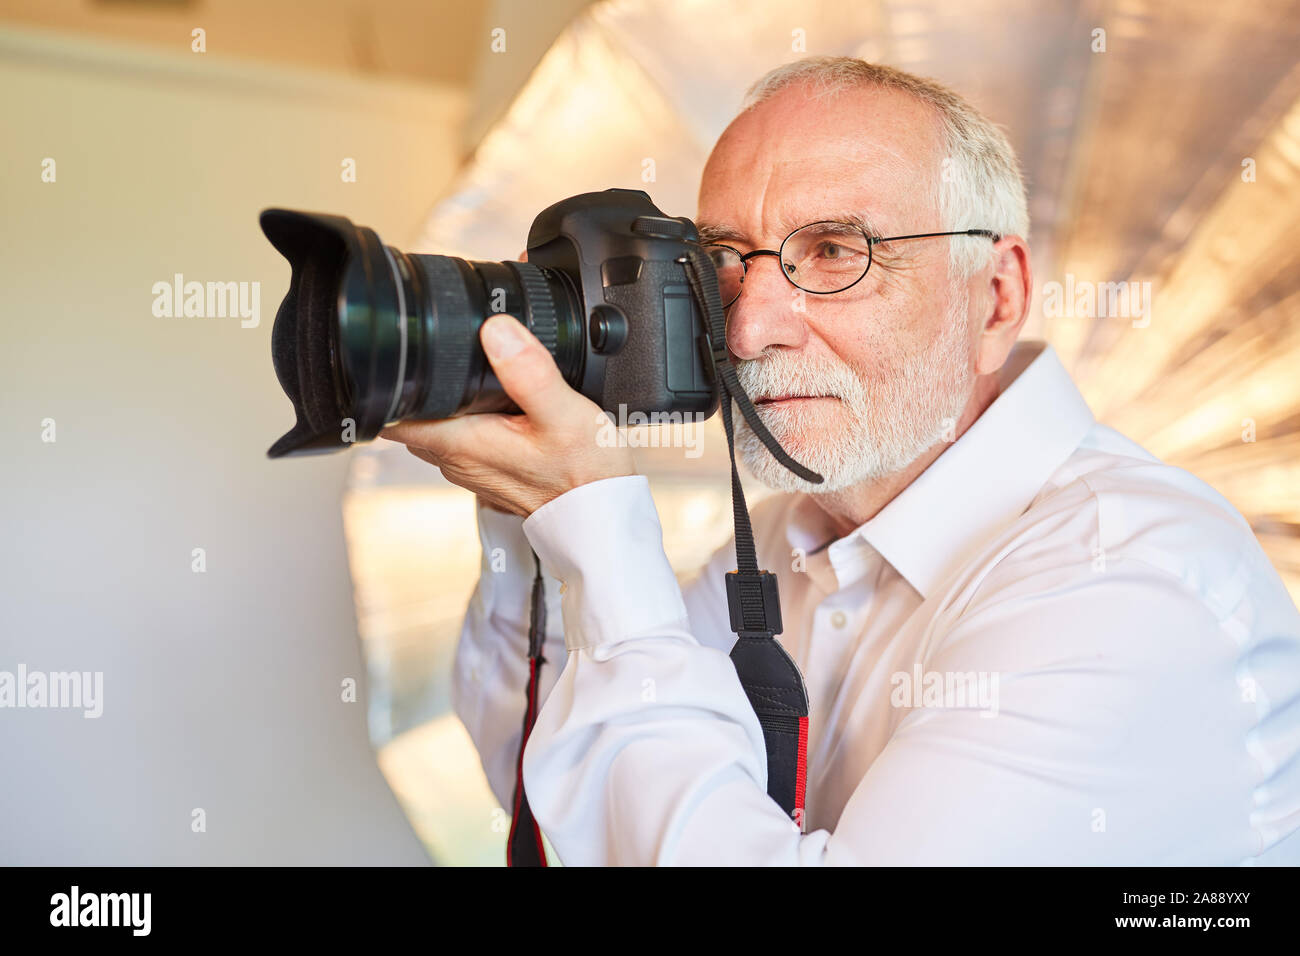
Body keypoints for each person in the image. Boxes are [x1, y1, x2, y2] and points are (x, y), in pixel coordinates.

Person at [381, 56, 1300, 865]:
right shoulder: (800, 526)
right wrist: (530, 503)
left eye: (835, 252)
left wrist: (597, 519)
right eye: (726, 261)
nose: (748, 326)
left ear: (997, 297)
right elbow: (566, 795)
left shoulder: (1127, 580)